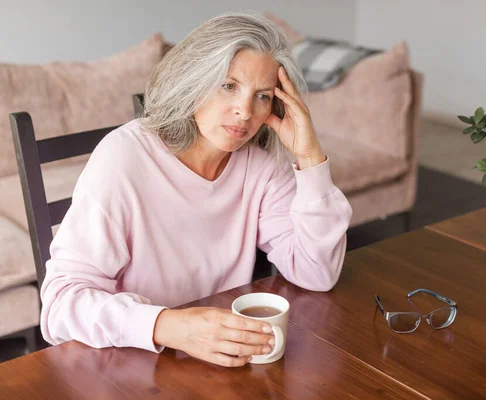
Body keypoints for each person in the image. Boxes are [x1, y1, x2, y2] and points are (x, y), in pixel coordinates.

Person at [40, 12, 352, 367]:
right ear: (194, 79)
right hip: (129, 362)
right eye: (229, 86)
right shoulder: (125, 156)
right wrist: (167, 325)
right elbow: (60, 307)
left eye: (262, 96)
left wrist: (310, 157)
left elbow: (317, 273)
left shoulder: (260, 165)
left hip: (221, 359)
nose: (244, 112)